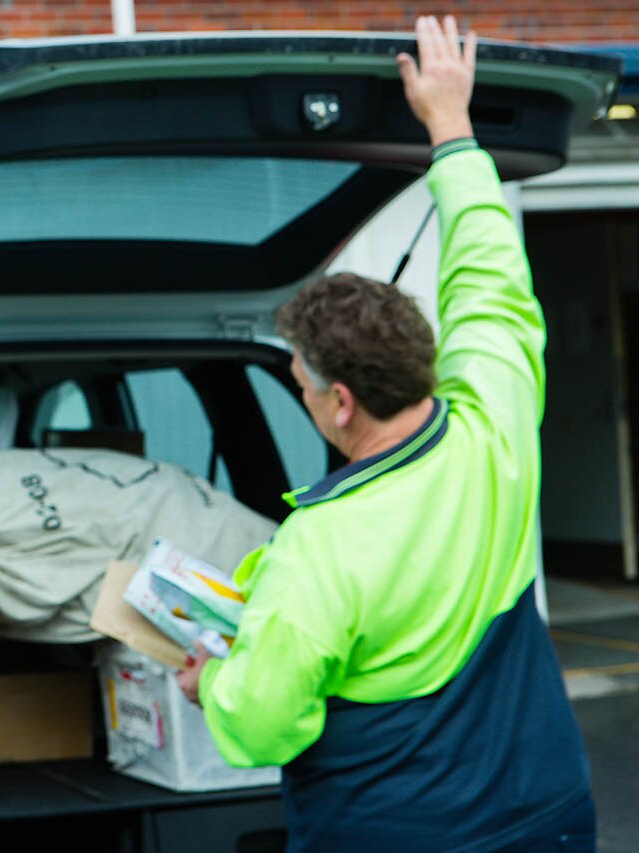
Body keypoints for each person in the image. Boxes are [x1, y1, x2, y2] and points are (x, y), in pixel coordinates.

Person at [178, 15, 595, 851]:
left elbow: (263, 724)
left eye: (298, 382)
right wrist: (452, 127)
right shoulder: (494, 422)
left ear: (338, 403)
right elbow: (490, 276)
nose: (299, 394)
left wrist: (211, 679)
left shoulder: (319, 547)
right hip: (549, 819)